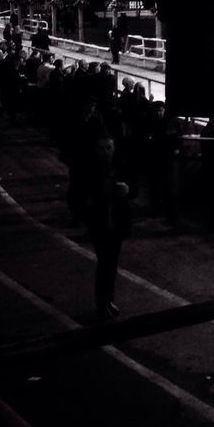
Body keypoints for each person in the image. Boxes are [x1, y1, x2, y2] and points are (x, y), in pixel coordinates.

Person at [80, 134, 132, 319]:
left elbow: (134, 188)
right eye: (102, 148)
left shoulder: (120, 167)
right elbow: (80, 194)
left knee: (111, 264)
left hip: (116, 223)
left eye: (108, 148)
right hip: (100, 223)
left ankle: (107, 299)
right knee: (105, 263)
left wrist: (127, 190)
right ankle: (103, 302)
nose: (105, 152)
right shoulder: (90, 171)